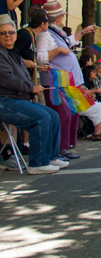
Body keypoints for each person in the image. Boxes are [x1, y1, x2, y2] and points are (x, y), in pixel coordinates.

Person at [0, 14, 68, 174]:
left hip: (18, 99)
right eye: (3, 33)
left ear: (16, 35)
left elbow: (21, 76)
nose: (8, 36)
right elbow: (7, 79)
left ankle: (51, 157)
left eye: (11, 32)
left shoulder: (14, 53)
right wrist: (31, 89)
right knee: (41, 117)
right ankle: (38, 163)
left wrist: (33, 86)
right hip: (5, 101)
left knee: (52, 115)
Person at [37, 0, 96, 159]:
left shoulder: (56, 32)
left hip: (67, 82)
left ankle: (66, 145)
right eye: (62, 14)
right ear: (58, 16)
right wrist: (57, 50)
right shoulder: (45, 35)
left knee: (72, 111)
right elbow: (41, 57)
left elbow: (68, 42)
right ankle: (59, 149)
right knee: (61, 113)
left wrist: (82, 33)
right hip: (55, 82)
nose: (64, 16)